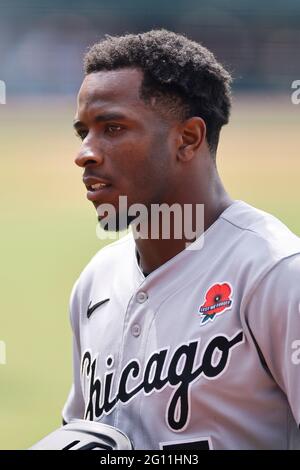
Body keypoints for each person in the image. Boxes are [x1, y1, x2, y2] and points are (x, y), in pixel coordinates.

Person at [62, 29, 300, 449]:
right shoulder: (95, 282)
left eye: (112, 128)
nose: (85, 152)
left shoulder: (275, 274)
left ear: (187, 138)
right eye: (84, 131)